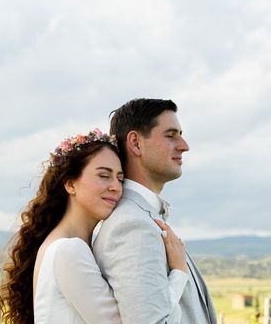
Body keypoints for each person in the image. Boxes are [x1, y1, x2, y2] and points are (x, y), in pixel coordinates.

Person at [0, 128, 188, 324]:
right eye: (104, 176)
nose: (115, 186)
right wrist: (179, 273)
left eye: (120, 178)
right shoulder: (68, 249)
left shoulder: (66, 245)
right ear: (70, 184)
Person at [93, 98, 217, 324]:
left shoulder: (146, 218)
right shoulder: (131, 226)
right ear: (136, 143)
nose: (184, 145)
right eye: (171, 135)